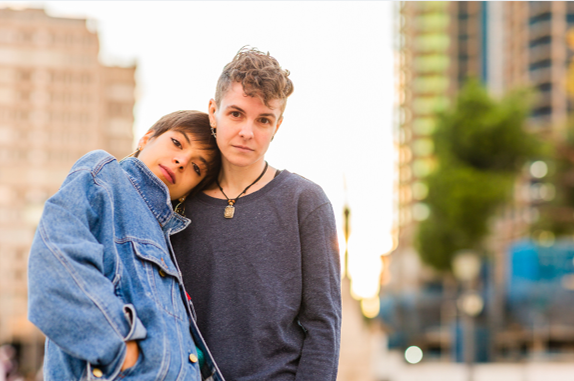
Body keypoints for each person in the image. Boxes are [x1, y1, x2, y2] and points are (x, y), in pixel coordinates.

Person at [172, 48, 342, 380]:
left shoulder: (305, 201)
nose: (247, 131)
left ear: (277, 125)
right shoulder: (179, 206)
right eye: (236, 114)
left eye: (263, 119)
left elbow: (323, 324)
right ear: (213, 112)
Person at [28, 111, 225, 381]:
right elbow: (56, 263)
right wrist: (120, 351)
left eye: (196, 168)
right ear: (146, 138)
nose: (181, 161)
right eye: (177, 143)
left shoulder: (171, 240)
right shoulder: (105, 176)